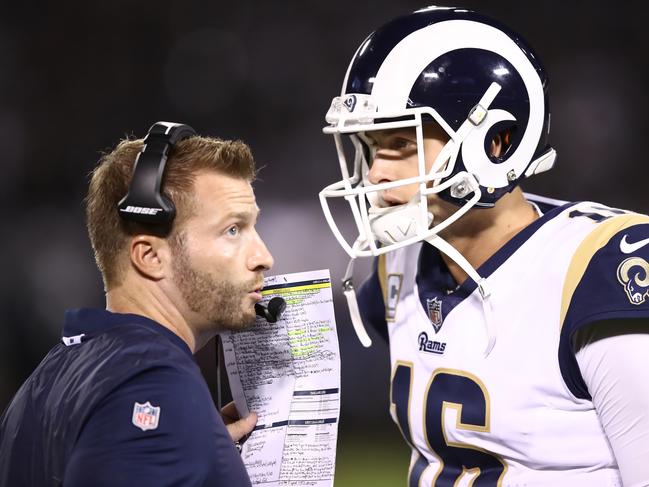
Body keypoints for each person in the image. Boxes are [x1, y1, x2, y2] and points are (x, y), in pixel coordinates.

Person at [319, 7, 649, 486]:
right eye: (371, 147)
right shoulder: (403, 257)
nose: (375, 174)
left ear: (497, 142)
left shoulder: (598, 272)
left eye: (402, 143)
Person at [0, 122, 274, 486]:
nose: (263, 257)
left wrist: (193, 451)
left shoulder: (46, 380)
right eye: (232, 230)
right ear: (149, 256)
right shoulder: (153, 383)